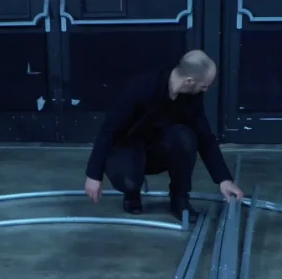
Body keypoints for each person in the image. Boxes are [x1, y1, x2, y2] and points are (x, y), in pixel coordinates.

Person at [83, 50, 245, 220]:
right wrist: (94, 175)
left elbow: (205, 137)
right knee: (128, 180)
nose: (206, 89)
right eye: (204, 85)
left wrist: (224, 180)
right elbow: (108, 131)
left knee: (186, 137)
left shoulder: (191, 97)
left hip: (156, 150)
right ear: (189, 81)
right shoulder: (140, 88)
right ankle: (132, 193)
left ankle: (179, 199)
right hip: (127, 147)